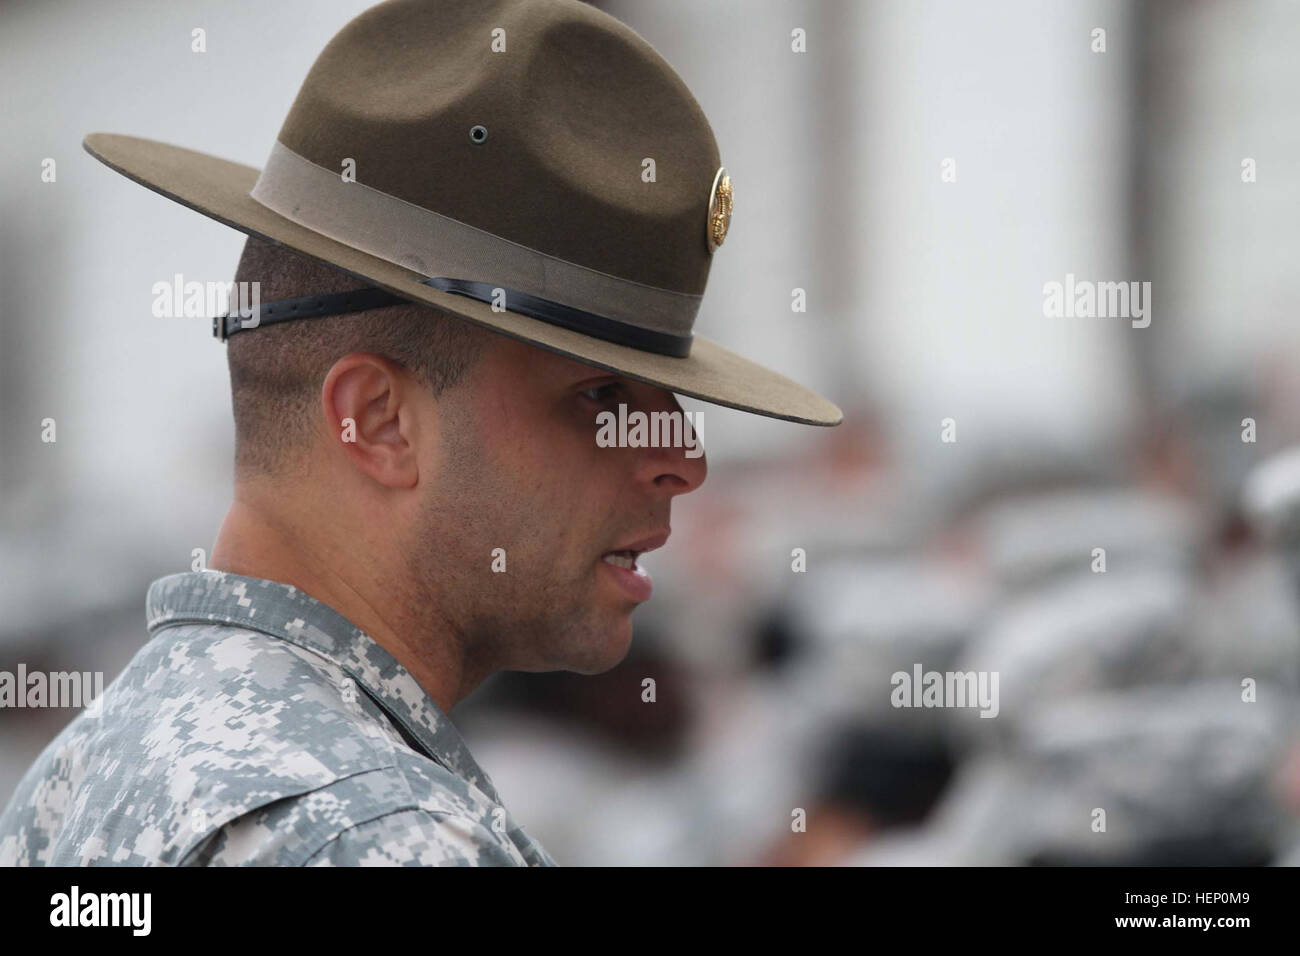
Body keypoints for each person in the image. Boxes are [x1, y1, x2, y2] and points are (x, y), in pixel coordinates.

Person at [0, 0, 840, 866]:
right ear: (377, 421)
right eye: (599, 395)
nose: (683, 462)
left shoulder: (90, 767)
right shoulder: (380, 836)